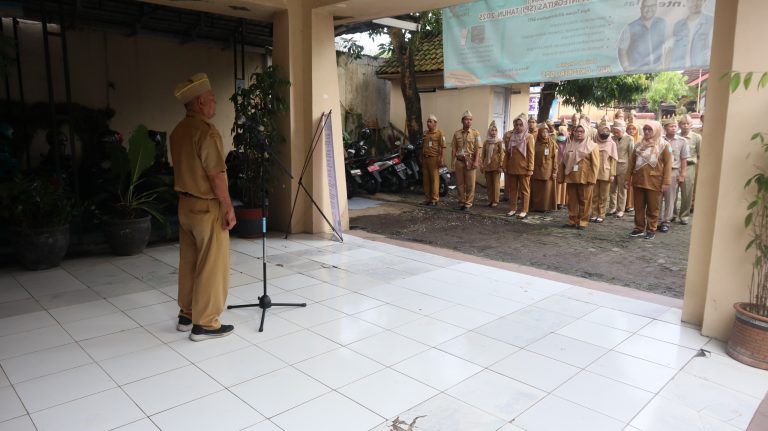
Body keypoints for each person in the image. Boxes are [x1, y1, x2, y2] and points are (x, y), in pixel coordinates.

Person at [170, 73, 236, 341]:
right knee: (212, 264)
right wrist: (229, 207)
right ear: (199, 103)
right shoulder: (206, 132)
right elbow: (216, 175)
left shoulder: (178, 131)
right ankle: (206, 324)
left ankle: (187, 315)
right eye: (211, 99)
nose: (215, 103)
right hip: (207, 207)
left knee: (189, 262)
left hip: (185, 206)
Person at [626, 121, 673, 240]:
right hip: (638, 180)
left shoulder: (664, 145)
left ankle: (651, 229)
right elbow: (631, 163)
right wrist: (627, 179)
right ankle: (639, 228)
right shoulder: (638, 145)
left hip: (655, 182)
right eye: (645, 129)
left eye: (649, 129)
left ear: (656, 130)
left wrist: (666, 182)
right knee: (638, 207)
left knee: (653, 207)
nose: (646, 132)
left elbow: (668, 165)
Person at [558, 120, 600, 229]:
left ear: (586, 132)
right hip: (571, 176)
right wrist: (561, 176)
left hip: (585, 178)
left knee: (584, 200)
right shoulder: (569, 145)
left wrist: (592, 178)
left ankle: (583, 221)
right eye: (577, 131)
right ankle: (572, 220)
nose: (579, 133)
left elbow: (595, 164)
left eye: (582, 131)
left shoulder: (593, 146)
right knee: (572, 200)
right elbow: (563, 162)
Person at [617, 0, 667, 72]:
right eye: (646, 6)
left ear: (656, 7)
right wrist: (626, 68)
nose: (649, 9)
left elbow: (668, 45)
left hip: (658, 70)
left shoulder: (662, 23)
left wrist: (665, 65)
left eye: (652, 6)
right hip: (638, 72)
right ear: (641, 8)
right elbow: (622, 50)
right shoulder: (630, 27)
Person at [659, 117, 688, 232]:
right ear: (665, 128)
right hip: (659, 172)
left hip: (673, 171)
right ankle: (656, 220)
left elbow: (684, 159)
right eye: (671, 126)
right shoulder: (659, 140)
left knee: (670, 198)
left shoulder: (682, 141)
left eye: (675, 126)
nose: (674, 128)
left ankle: (666, 221)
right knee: (657, 197)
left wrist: (682, 175)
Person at [502, 115, 535, 218]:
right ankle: (513, 209)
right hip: (512, 167)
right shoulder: (511, 137)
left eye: (521, 125)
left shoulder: (529, 137)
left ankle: (524, 210)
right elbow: (507, 153)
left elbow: (531, 153)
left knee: (524, 190)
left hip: (524, 168)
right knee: (513, 189)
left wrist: (530, 168)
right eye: (516, 125)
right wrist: (504, 165)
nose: (518, 127)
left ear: (525, 125)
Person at [669, 0, 715, 69]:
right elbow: (671, 50)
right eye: (691, 1)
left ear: (704, 2)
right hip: (678, 71)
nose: (695, 3)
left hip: (701, 71)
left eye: (699, 0)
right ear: (686, 2)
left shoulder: (712, 21)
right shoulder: (678, 25)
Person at [451, 110, 482, 210]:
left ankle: (468, 203)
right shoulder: (456, 134)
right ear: (462, 121)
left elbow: (478, 148)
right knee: (460, 184)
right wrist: (453, 162)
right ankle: (461, 202)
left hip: (470, 161)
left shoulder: (476, 133)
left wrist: (476, 161)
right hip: (459, 161)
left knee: (470, 184)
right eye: (466, 119)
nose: (468, 121)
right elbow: (454, 148)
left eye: (470, 120)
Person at [590, 120, 618, 223]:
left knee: (604, 195)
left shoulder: (612, 144)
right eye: (603, 130)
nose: (605, 132)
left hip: (606, 172)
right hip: (594, 171)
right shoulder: (593, 141)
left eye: (607, 130)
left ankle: (601, 214)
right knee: (594, 194)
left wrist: (612, 174)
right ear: (599, 130)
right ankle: (593, 213)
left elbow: (614, 160)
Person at [676, 114, 701, 225]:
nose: (685, 126)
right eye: (683, 123)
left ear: (691, 125)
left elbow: (700, 154)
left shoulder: (696, 137)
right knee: (673, 192)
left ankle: (684, 215)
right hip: (676, 166)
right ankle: (672, 214)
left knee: (687, 193)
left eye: (687, 124)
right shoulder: (676, 137)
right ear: (679, 125)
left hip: (690, 166)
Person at [609, 119, 635, 218]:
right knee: (612, 189)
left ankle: (621, 209)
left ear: (623, 130)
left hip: (624, 167)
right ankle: (612, 207)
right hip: (612, 166)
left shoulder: (629, 139)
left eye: (617, 131)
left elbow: (631, 155)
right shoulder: (612, 138)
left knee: (622, 189)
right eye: (614, 131)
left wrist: (630, 170)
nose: (615, 133)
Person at [530, 124, 558, 212]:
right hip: (537, 169)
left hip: (548, 170)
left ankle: (545, 207)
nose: (545, 134)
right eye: (543, 132)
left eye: (546, 132)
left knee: (546, 189)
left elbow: (555, 158)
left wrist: (554, 171)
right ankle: (536, 206)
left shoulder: (552, 143)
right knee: (537, 188)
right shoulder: (535, 143)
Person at [421, 114, 446, 206]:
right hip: (425, 158)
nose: (428, 123)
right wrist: (421, 158)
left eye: (430, 122)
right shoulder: (425, 133)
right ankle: (428, 199)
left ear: (435, 123)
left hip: (434, 159)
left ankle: (434, 199)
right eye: (427, 121)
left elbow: (443, 147)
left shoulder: (440, 133)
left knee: (434, 180)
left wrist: (442, 159)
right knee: (426, 180)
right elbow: (422, 146)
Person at [481, 121, 504, 207]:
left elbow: (502, 154)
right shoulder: (486, 142)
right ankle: (490, 200)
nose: (493, 132)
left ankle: (495, 200)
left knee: (496, 184)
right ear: (489, 131)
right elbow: (483, 154)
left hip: (496, 165)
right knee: (489, 184)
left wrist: (501, 165)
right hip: (487, 165)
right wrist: (482, 164)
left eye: (495, 130)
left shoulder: (499, 142)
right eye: (492, 130)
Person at [625, 115, 640, 213]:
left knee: (634, 185)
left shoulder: (640, 139)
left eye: (633, 129)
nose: (631, 131)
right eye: (629, 129)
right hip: (626, 165)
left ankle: (632, 204)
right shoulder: (624, 138)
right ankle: (625, 204)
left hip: (637, 165)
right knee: (626, 184)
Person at [555, 126, 570, 209]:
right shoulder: (555, 142)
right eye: (560, 133)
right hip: (556, 165)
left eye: (563, 133)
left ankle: (563, 201)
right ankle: (556, 200)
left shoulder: (569, 144)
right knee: (557, 184)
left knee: (564, 184)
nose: (561, 135)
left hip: (565, 166)